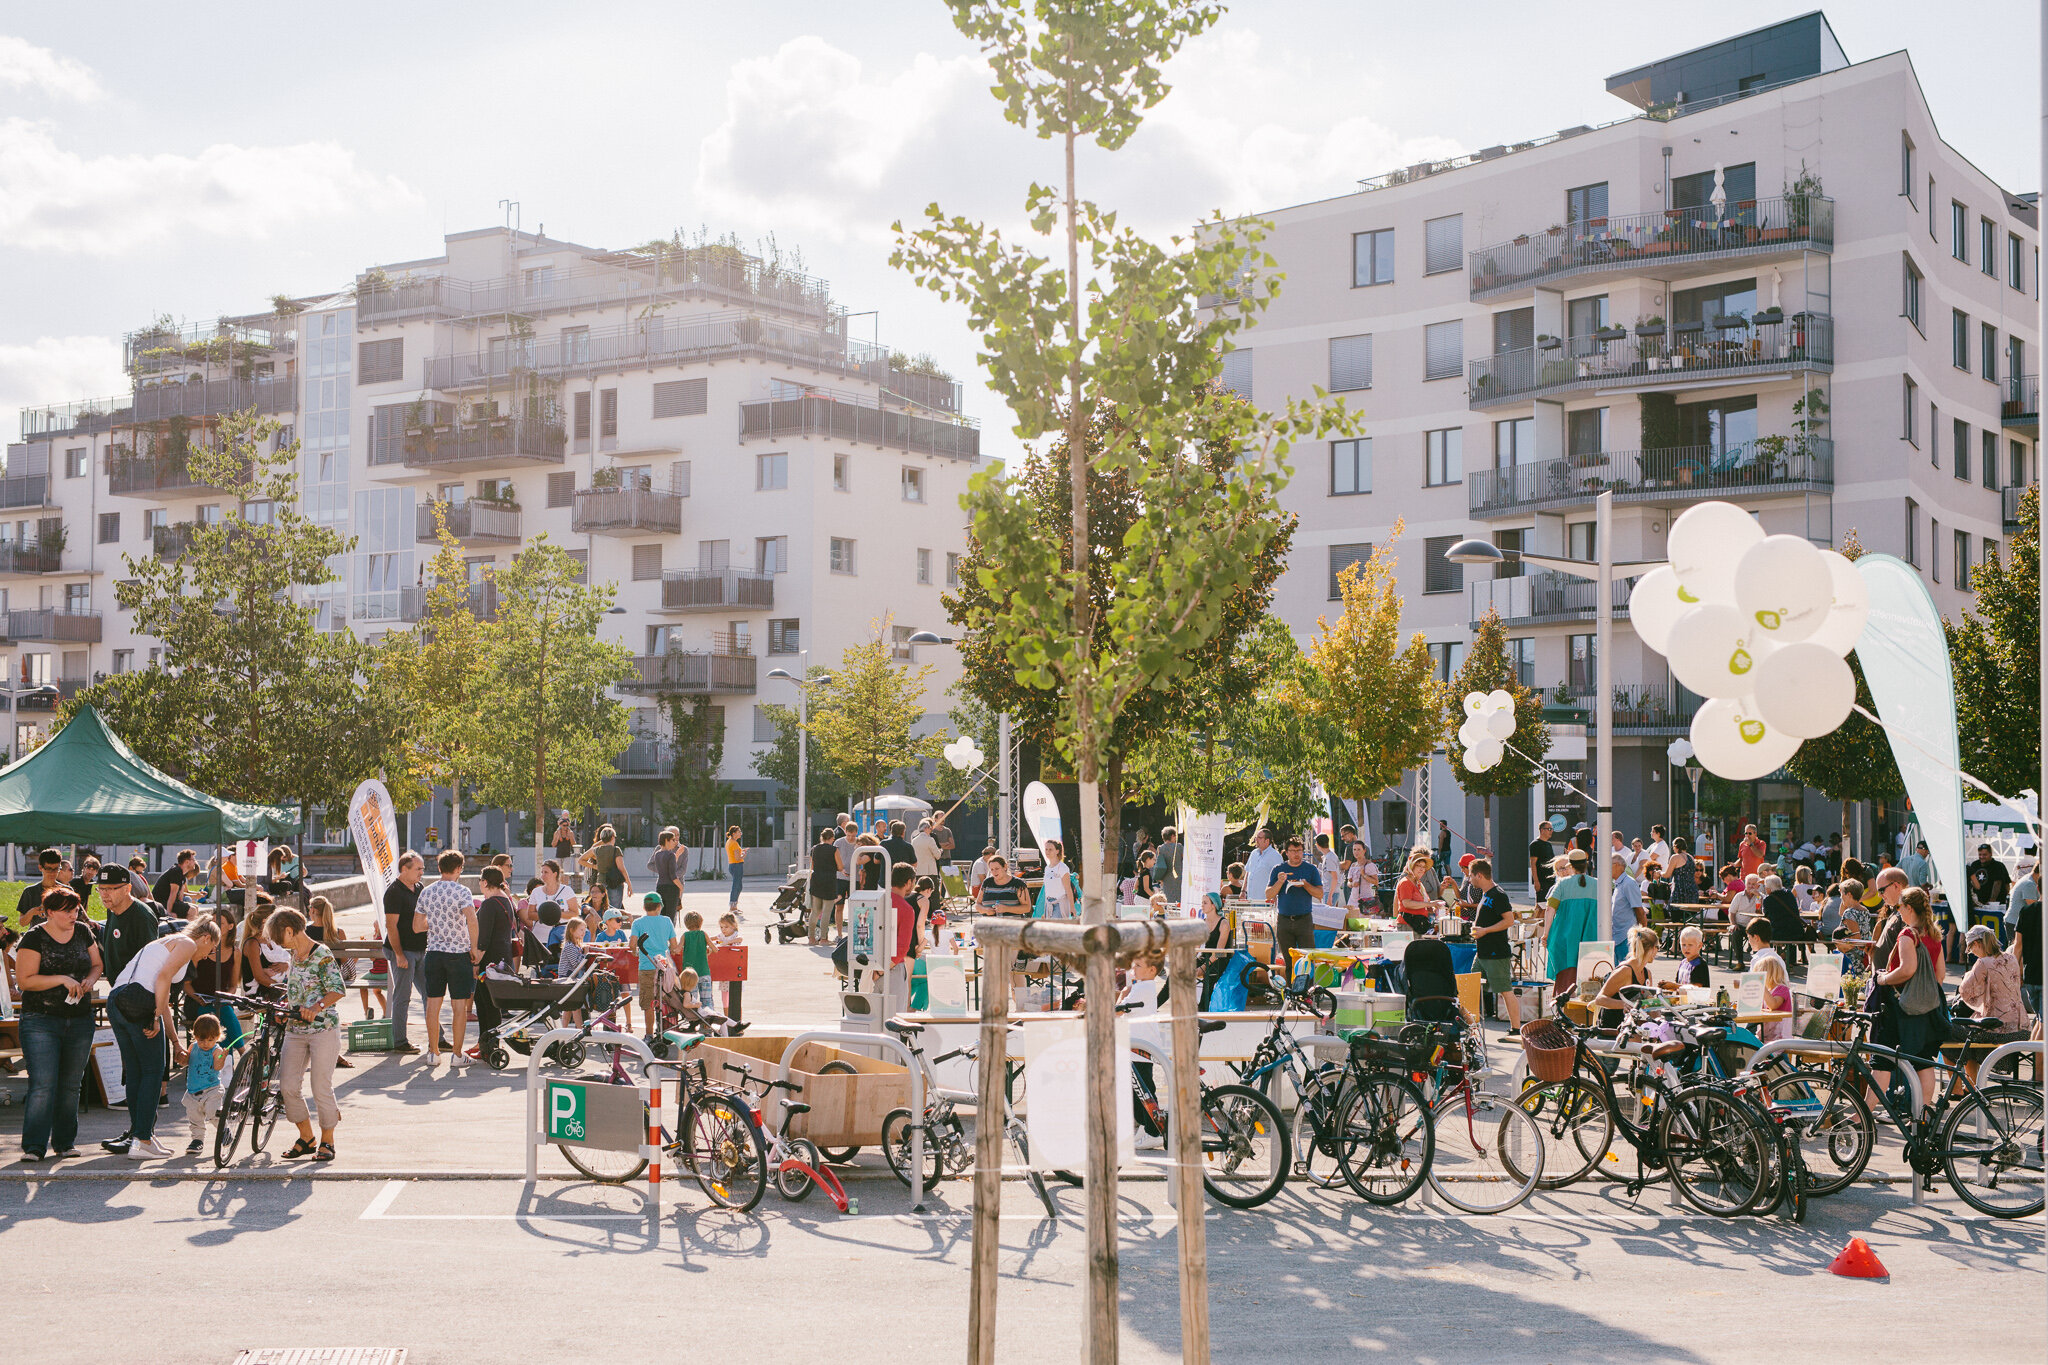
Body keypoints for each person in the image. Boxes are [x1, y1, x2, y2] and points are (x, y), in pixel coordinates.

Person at [107, 915, 221, 1159]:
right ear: (206, 938)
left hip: (118, 1000)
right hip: (140, 1001)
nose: (207, 956)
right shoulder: (187, 944)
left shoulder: (163, 942)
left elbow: (163, 995)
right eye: (211, 949)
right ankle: (143, 1140)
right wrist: (155, 1015)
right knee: (153, 1072)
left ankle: (140, 1135)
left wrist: (175, 1041)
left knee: (136, 1071)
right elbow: (163, 978)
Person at [14, 886, 104, 1162]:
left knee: (71, 1084)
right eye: (67, 911)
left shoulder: (83, 932)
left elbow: (97, 965)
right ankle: (34, 1146)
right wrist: (62, 979)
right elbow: (25, 980)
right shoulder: (34, 937)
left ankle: (65, 1143)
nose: (74, 915)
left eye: (75, 909)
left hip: (79, 1018)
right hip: (40, 1019)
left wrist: (90, 980)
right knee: (43, 1084)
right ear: (49, 912)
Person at [264, 907, 345, 1162]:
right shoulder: (294, 955)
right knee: (288, 1086)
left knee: (320, 1086)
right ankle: (306, 1137)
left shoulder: (321, 954)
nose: (279, 943)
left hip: (323, 1028)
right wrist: (285, 1007)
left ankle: (328, 1141)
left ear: (290, 931)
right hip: (295, 1029)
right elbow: (297, 989)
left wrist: (316, 1007)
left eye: (280, 937)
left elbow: (338, 989)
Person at [1876, 887, 1947, 1113]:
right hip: (1929, 1007)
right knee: (1923, 1060)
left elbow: (1907, 969)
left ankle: (1864, 1115)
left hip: (1904, 1006)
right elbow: (1940, 974)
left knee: (1883, 1057)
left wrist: (1884, 979)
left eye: (1900, 907)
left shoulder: (1908, 934)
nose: (1898, 911)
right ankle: (1923, 1113)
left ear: (1908, 908)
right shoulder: (1934, 934)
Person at [416, 849, 480, 1066]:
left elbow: (417, 926)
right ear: (459, 868)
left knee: (432, 1005)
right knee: (459, 1006)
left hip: (434, 953)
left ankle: (433, 1052)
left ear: (439, 867)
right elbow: (472, 919)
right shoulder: (462, 891)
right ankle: (457, 1054)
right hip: (458, 953)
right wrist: (474, 947)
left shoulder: (427, 892)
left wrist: (436, 923)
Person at [1956, 924, 2029, 1084]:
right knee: (1970, 1034)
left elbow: (1965, 990)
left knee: (1955, 1036)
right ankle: (1972, 1086)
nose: (1972, 952)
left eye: (1971, 948)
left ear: (1977, 943)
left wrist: (1969, 976)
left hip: (1998, 1029)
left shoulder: (1983, 963)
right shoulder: (2011, 958)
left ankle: (1967, 1087)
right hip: (2021, 1027)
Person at [1465, 860, 1520, 1036]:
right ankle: (1469, 1029)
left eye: (1471, 875)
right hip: (1482, 952)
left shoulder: (1498, 894)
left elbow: (1509, 920)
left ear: (1479, 875)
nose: (1469, 879)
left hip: (1496, 952)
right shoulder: (1486, 893)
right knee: (1470, 987)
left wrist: (1485, 930)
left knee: (1505, 990)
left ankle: (1516, 1029)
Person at [382, 851, 427, 1055]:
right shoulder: (394, 892)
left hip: (421, 949)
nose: (421, 872)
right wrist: (399, 955)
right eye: (418, 869)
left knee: (430, 993)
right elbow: (391, 926)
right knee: (403, 996)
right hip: (403, 950)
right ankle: (400, 1041)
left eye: (422, 868)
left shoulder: (420, 888)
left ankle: (439, 1038)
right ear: (404, 869)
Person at [469, 866, 517, 1057]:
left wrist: (475, 963)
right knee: (489, 1003)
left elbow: (484, 939)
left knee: (485, 1004)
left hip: (489, 961)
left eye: (481, 880)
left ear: (485, 882)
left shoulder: (489, 904)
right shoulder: (506, 900)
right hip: (502, 958)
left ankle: (489, 1046)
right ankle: (486, 1043)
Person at [1263, 836, 1323, 976]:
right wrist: (1279, 882)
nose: (1296, 854)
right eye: (1293, 851)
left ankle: (1307, 988)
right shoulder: (1279, 869)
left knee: (1308, 959)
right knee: (1289, 962)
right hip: (1284, 920)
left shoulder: (1311, 869)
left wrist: (1306, 884)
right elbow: (1268, 895)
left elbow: (1320, 894)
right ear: (1286, 852)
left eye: (1299, 850)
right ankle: (1291, 989)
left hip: (1304, 920)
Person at [1545, 851, 1600, 995]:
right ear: (1586, 864)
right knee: (1590, 979)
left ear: (1571, 866)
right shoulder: (1598, 884)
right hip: (1591, 938)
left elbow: (1550, 909)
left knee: (1564, 978)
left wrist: (1545, 934)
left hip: (1565, 938)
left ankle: (1563, 1005)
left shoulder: (1562, 884)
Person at [96, 863, 160, 986]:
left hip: (134, 989)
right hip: (117, 987)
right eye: (101, 888)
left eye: (111, 889)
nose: (104, 894)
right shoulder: (112, 908)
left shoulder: (142, 916)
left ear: (127, 889)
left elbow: (149, 961)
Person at [1592, 926, 1661, 1031]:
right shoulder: (1625, 971)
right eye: (1658, 947)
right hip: (1611, 1028)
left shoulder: (1647, 973)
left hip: (1629, 1027)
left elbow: (1650, 1004)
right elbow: (1599, 999)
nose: (1657, 952)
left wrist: (1659, 1020)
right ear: (1652, 948)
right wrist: (1623, 1004)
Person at [181, 1013, 228, 1155]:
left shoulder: (216, 1050)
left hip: (212, 1090)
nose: (206, 1043)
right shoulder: (193, 1046)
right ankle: (197, 1140)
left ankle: (224, 1130)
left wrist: (222, 1058)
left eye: (210, 1040)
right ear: (195, 1036)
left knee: (213, 1113)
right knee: (194, 1118)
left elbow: (218, 1067)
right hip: (192, 1091)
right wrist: (181, 1058)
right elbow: (186, 1062)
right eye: (202, 1040)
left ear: (217, 1037)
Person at [630, 892, 677, 1035]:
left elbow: (632, 944)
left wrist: (635, 952)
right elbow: (674, 945)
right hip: (664, 967)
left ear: (644, 907)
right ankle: (666, 1031)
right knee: (665, 1000)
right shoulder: (667, 921)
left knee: (648, 1003)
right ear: (659, 906)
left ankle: (649, 1034)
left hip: (646, 967)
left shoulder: (638, 923)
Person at [582, 825, 630, 910]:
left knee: (601, 907)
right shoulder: (616, 850)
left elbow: (581, 859)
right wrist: (629, 884)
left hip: (601, 881)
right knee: (614, 909)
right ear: (612, 837)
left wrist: (594, 866)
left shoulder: (597, 850)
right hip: (615, 882)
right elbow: (621, 868)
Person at [16, 848, 68, 927]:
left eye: (56, 869)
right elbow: (22, 923)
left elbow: (73, 919)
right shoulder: (30, 892)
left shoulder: (67, 891)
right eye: (48, 869)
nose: (52, 873)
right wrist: (32, 912)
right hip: (37, 934)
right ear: (40, 868)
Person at [807, 828, 841, 946]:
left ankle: (811, 938)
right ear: (832, 838)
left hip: (816, 881)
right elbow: (840, 866)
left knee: (815, 912)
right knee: (826, 911)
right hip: (829, 881)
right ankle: (824, 939)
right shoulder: (834, 849)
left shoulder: (814, 849)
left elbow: (812, 866)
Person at [1610, 853, 1645, 962]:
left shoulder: (1628, 883)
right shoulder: (1619, 883)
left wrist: (1642, 935)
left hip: (1626, 937)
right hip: (1618, 935)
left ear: (1617, 865)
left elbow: (1639, 910)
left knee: (1627, 968)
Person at [677, 910, 715, 1009]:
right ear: (700, 923)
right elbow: (715, 949)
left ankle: (694, 1017)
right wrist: (709, 949)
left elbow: (677, 950)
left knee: (692, 1000)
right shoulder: (703, 934)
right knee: (707, 1001)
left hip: (690, 975)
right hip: (704, 972)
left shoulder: (685, 935)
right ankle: (708, 1017)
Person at [1392, 851, 1433, 937]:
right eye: (1418, 866)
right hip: (1407, 925)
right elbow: (1407, 903)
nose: (1422, 869)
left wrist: (1434, 906)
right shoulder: (1406, 882)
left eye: (1423, 867)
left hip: (1417, 925)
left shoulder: (1418, 884)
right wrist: (1429, 904)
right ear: (1411, 866)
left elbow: (1422, 904)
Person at [1756, 955, 1795, 1043]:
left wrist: (1762, 986)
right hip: (1766, 1035)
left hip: (1780, 1038)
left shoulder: (1782, 989)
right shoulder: (1768, 991)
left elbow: (1773, 1005)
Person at [650, 826, 684, 925]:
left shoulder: (657, 854)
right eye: (673, 840)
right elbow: (673, 876)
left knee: (661, 915)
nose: (675, 842)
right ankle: (669, 935)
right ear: (666, 840)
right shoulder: (671, 855)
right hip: (671, 889)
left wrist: (676, 855)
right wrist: (681, 887)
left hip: (660, 887)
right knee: (670, 917)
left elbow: (665, 868)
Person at [1968, 844, 2014, 915]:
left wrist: (1992, 901)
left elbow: (2000, 884)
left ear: (1991, 854)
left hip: (1995, 906)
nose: (1981, 857)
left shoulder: (1998, 866)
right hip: (1978, 905)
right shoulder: (1975, 865)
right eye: (1980, 854)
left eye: (1984, 855)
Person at [1242, 828, 1281, 909]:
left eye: (1259, 838)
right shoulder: (1253, 853)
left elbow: (1279, 878)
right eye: (1256, 837)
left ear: (1267, 841)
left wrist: (1275, 896)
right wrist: (1243, 891)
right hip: (1251, 900)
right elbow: (1248, 872)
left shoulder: (1275, 856)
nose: (1256, 840)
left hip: (1265, 901)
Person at [1040, 838, 1076, 920]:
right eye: (1046, 849)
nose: (1047, 851)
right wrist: (1044, 910)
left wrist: (1072, 907)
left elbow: (1068, 889)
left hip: (1060, 904)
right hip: (1048, 904)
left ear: (1057, 851)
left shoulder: (1062, 867)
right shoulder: (1047, 868)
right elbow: (1047, 890)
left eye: (1050, 849)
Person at [2007, 857, 2040, 938]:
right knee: (2017, 946)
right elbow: (2035, 908)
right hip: (2014, 923)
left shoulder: (2030, 879)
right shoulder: (2029, 884)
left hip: (2017, 922)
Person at [1528, 821, 1557, 903]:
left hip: (1550, 880)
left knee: (1550, 904)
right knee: (1541, 905)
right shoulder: (1535, 844)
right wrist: (1536, 881)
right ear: (1542, 830)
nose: (1551, 831)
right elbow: (1533, 864)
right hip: (1542, 881)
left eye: (1552, 829)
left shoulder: (1548, 845)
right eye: (1549, 829)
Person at [724, 825, 748, 913]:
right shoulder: (734, 843)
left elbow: (735, 854)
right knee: (736, 886)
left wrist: (742, 852)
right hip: (736, 865)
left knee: (738, 886)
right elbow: (738, 858)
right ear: (734, 833)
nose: (741, 833)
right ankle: (732, 907)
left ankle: (734, 906)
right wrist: (744, 854)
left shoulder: (730, 841)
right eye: (739, 832)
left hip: (733, 865)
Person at [1157, 826, 1183, 908]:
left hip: (1166, 878)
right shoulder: (1179, 847)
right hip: (1178, 877)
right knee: (1178, 901)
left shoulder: (1160, 848)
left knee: (1168, 900)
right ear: (1172, 836)